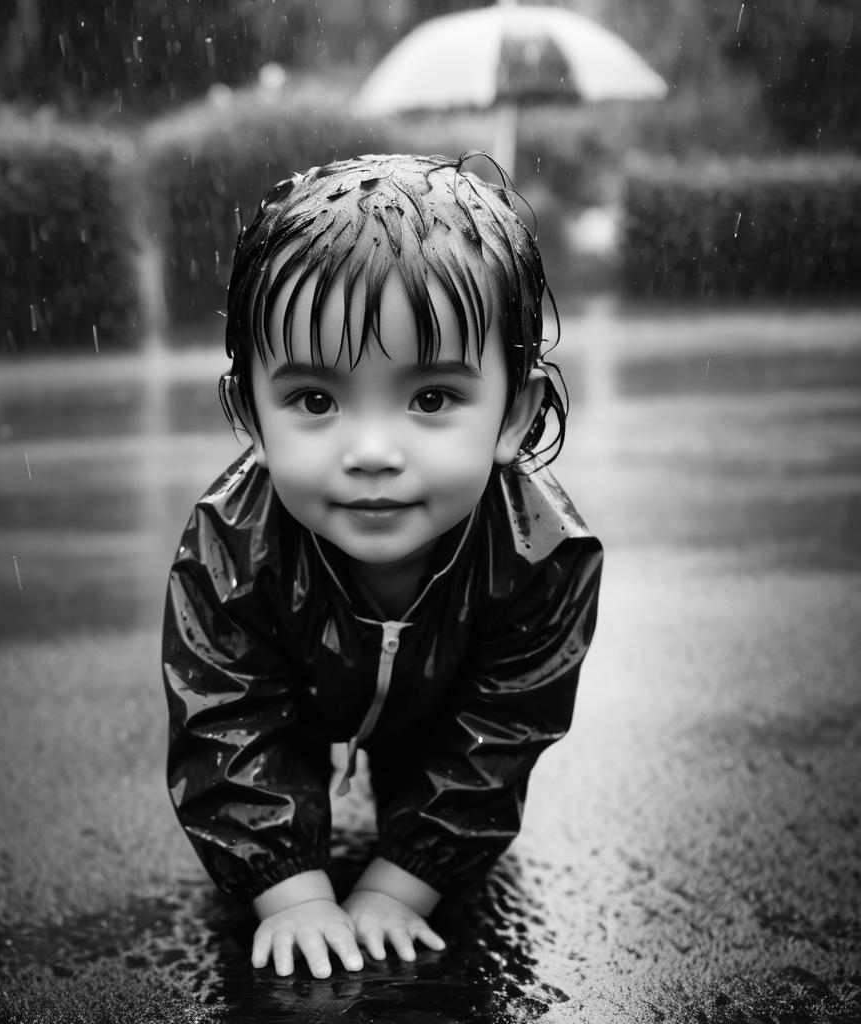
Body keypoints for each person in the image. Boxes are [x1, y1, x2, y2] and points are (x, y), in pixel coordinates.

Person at [162, 153, 603, 980]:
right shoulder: (232, 549)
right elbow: (225, 723)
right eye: (316, 400)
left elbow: (498, 732)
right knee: (268, 743)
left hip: (438, 701)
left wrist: (406, 883)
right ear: (248, 417)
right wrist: (288, 889)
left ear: (515, 414)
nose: (370, 452)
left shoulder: (543, 556)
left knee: (435, 756)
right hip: (301, 689)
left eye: (430, 398)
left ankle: (404, 810)